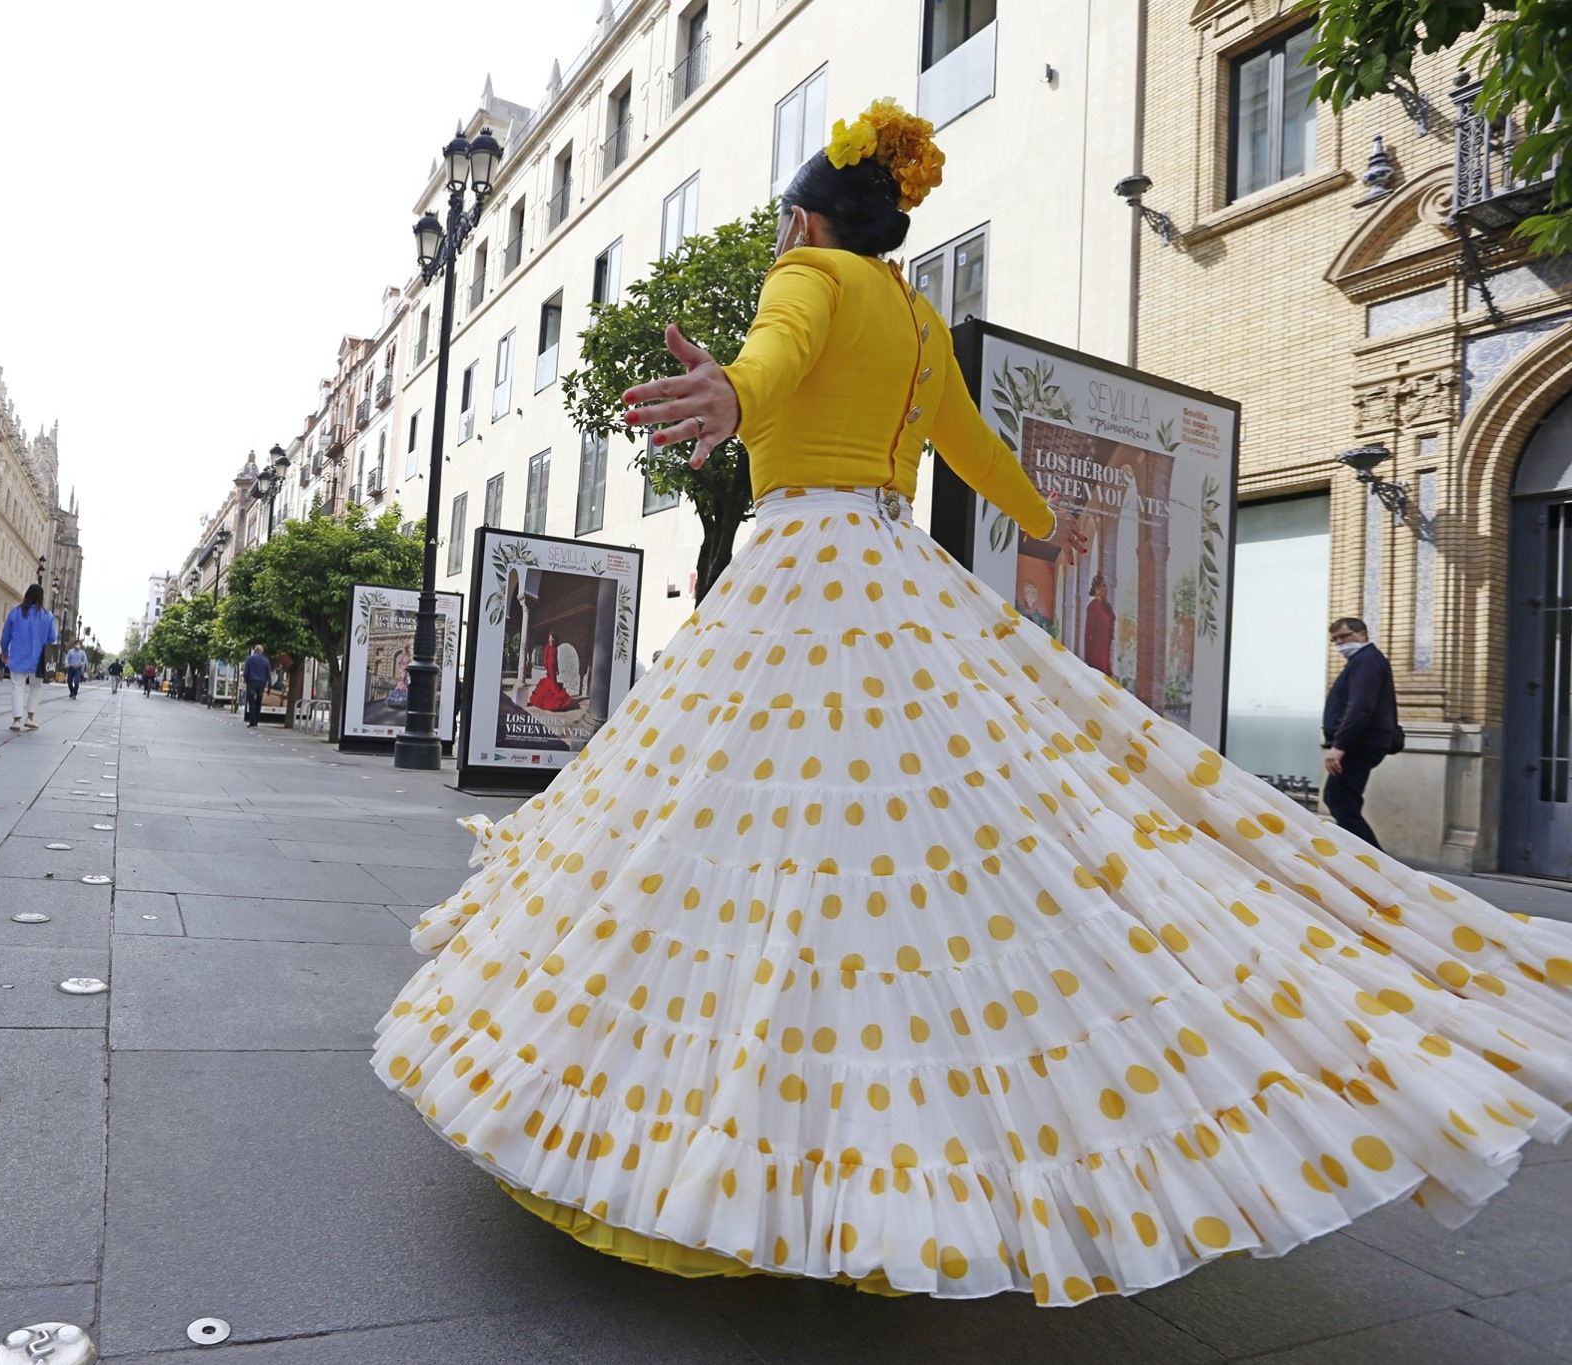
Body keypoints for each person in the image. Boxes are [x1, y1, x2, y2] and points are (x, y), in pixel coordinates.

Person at [372, 97, 1572, 1309]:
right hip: (894, 573)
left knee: (733, 816)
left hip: (797, 573)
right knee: (929, 823)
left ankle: (749, 1132)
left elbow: (772, 359)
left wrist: (731, 398)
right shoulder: (914, 318)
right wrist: (1056, 520)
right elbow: (975, 450)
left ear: (801, 219)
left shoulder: (806, 279)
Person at [1321, 616, 1402, 849]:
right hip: (1358, 744)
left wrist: (1339, 746)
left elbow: (1360, 707)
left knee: (1340, 801)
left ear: (1363, 634)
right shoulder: (1363, 662)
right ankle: (1367, 860)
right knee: (1342, 801)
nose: (1340, 644)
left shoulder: (1367, 662)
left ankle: (1375, 862)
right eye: (1335, 640)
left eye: (1344, 637)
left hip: (1357, 745)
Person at [0, 583, 58, 732]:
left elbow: (5, 635)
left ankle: (17, 720)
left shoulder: (15, 613)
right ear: (41, 598)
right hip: (38, 660)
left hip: (18, 657)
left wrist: (4, 651)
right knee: (36, 687)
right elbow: (53, 637)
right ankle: (30, 718)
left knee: (17, 687)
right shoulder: (48, 616)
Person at [526, 631, 576, 712]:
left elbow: (556, 659)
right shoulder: (547, 647)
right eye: (550, 637)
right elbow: (545, 658)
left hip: (554, 667)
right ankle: (555, 699)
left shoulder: (555, 648)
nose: (551, 639)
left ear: (554, 639)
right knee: (552, 683)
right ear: (548, 639)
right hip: (549, 667)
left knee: (554, 682)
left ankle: (555, 699)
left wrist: (557, 669)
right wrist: (546, 669)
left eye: (552, 638)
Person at [1083, 573, 1116, 676]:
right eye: (1103, 586)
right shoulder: (1093, 606)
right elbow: (1088, 633)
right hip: (1096, 653)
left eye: (1106, 586)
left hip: (1106, 652)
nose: (1106, 589)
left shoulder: (1106, 607)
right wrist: (1087, 657)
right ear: (1097, 589)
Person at [242, 644, 270, 726]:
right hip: (261, 683)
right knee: (259, 700)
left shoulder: (250, 659)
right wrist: (269, 686)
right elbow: (268, 673)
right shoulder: (266, 661)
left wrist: (246, 681)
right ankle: (257, 719)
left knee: (251, 702)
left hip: (252, 682)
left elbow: (246, 672)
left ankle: (252, 720)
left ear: (254, 650)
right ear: (262, 652)